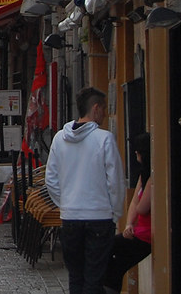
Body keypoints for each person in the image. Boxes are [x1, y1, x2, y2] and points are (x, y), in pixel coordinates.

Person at [46, 86, 126, 294]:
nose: (106, 115)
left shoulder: (59, 139)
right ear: (96, 108)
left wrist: (66, 204)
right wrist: (115, 212)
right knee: (94, 276)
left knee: (76, 276)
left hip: (71, 217)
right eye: (104, 110)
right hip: (99, 216)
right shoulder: (104, 139)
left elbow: (51, 179)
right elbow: (115, 181)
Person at [103, 133, 152, 294]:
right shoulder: (144, 175)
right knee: (111, 256)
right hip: (138, 231)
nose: (135, 154)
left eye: (137, 151)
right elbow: (134, 204)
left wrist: (135, 214)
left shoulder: (152, 177)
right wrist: (129, 224)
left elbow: (141, 207)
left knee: (107, 249)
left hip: (148, 235)